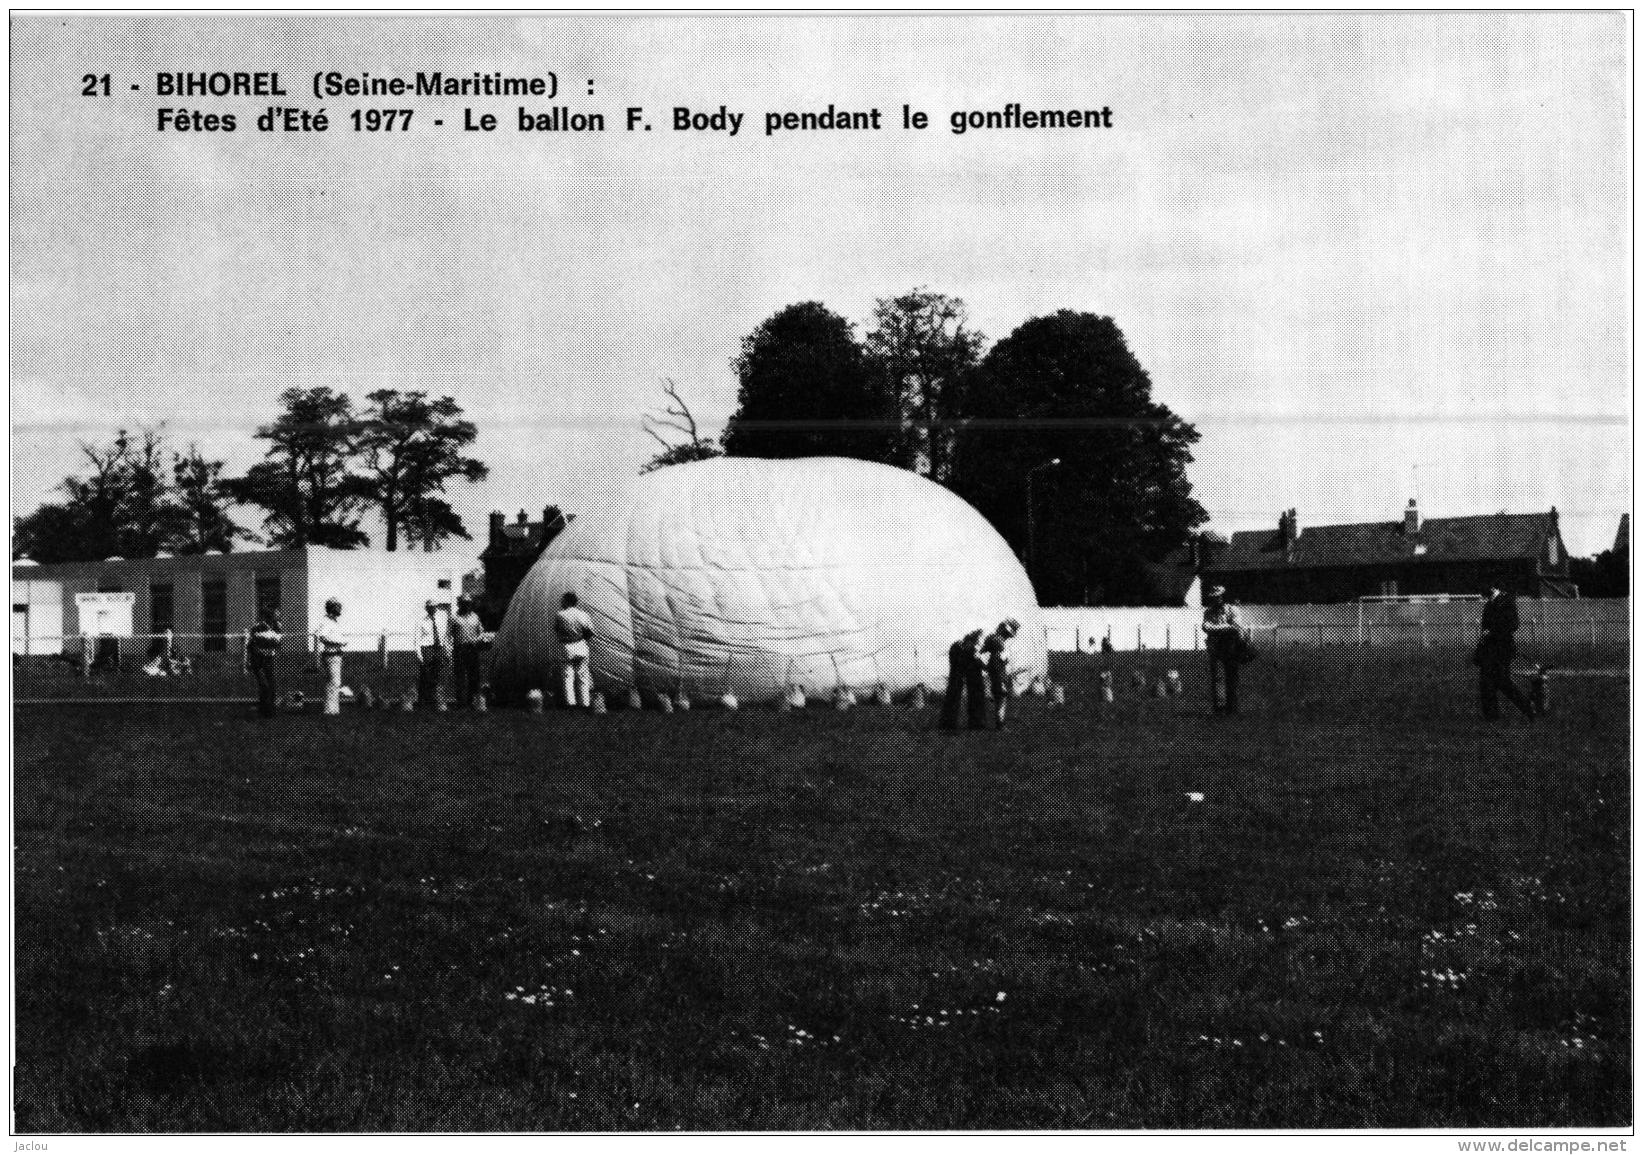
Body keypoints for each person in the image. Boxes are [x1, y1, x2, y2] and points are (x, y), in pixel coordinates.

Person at [1477, 584, 1535, 720]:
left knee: (1503, 682)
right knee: (1486, 682)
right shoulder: (1490, 604)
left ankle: (1527, 707)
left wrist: (1493, 631)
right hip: (1490, 649)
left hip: (1503, 649)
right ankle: (1491, 716)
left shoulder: (1507, 602)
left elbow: (1513, 624)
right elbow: (1486, 625)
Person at [1202, 585, 1244, 715]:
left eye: (1218, 597)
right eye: (1213, 597)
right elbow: (1205, 626)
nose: (1216, 600)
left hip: (1232, 648)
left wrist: (1216, 628)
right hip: (1215, 648)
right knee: (1218, 678)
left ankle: (1232, 708)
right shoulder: (1208, 612)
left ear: (1223, 597)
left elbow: (1236, 627)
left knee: (1232, 678)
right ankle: (1219, 708)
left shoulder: (1233, 610)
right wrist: (1225, 627)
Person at [940, 628, 988, 730]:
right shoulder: (967, 648)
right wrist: (987, 668)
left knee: (954, 699)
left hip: (957, 676)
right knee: (963, 699)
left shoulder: (958, 646)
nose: (978, 644)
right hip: (961, 677)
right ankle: (972, 723)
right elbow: (977, 660)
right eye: (978, 640)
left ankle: (948, 723)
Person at [554, 591, 595, 709]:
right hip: (581, 645)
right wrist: (583, 639)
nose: (561, 602)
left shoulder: (560, 615)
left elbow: (557, 630)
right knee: (583, 675)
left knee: (568, 676)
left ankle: (571, 703)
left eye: (562, 600)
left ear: (567, 601)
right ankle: (585, 703)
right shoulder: (583, 614)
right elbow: (590, 631)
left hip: (567, 646)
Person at [449, 595, 489, 708]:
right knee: (460, 676)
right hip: (459, 649)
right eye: (464, 603)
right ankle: (461, 702)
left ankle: (472, 701)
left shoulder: (475, 617)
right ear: (460, 604)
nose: (466, 605)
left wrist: (477, 639)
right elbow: (448, 635)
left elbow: (481, 632)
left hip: (473, 649)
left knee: (474, 675)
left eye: (468, 603)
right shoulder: (454, 617)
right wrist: (448, 650)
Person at [982, 618, 1022, 729]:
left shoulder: (992, 639)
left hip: (996, 672)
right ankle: (1000, 724)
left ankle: (999, 722)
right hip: (999, 673)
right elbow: (1001, 662)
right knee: (1001, 698)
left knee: (1000, 698)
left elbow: (984, 651)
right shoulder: (999, 644)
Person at [314, 597, 348, 715]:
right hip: (331, 654)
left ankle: (332, 709)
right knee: (333, 682)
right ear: (332, 608)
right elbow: (322, 636)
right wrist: (339, 642)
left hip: (336, 654)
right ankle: (330, 710)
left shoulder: (333, 621)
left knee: (334, 682)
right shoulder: (326, 621)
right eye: (338, 606)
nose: (340, 608)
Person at [247, 608, 283, 718]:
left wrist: (271, 650)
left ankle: (269, 711)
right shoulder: (257, 628)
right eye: (276, 614)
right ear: (270, 616)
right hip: (257, 660)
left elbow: (277, 644)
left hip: (269, 659)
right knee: (264, 685)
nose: (278, 615)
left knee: (271, 685)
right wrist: (249, 660)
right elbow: (251, 646)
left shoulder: (278, 627)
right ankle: (264, 710)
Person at [415, 599, 448, 710]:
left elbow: (445, 636)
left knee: (436, 674)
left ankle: (433, 699)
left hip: (438, 648)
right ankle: (422, 700)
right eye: (430, 607)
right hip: (427, 648)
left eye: (434, 607)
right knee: (425, 674)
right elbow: (417, 640)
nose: (432, 609)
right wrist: (419, 655)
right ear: (427, 609)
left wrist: (446, 651)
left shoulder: (441, 620)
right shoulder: (421, 621)